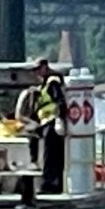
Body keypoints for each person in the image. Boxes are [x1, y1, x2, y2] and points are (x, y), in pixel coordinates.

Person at [31, 57, 68, 193]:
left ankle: (50, 183)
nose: (36, 73)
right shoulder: (44, 84)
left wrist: (60, 119)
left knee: (51, 154)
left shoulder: (53, 83)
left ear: (45, 67)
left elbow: (60, 101)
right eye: (34, 70)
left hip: (52, 123)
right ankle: (46, 177)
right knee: (43, 149)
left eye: (38, 69)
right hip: (45, 122)